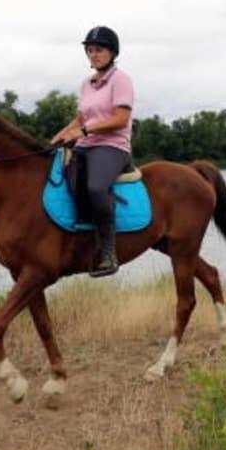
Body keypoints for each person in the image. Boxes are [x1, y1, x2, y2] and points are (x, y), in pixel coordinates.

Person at [50, 26, 134, 277]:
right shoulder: (87, 84)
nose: (94, 54)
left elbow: (121, 118)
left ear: (112, 52)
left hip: (112, 146)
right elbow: (79, 119)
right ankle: (81, 239)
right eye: (90, 50)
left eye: (99, 49)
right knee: (67, 180)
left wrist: (85, 132)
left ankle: (109, 252)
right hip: (85, 146)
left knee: (96, 187)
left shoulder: (121, 80)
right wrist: (59, 136)